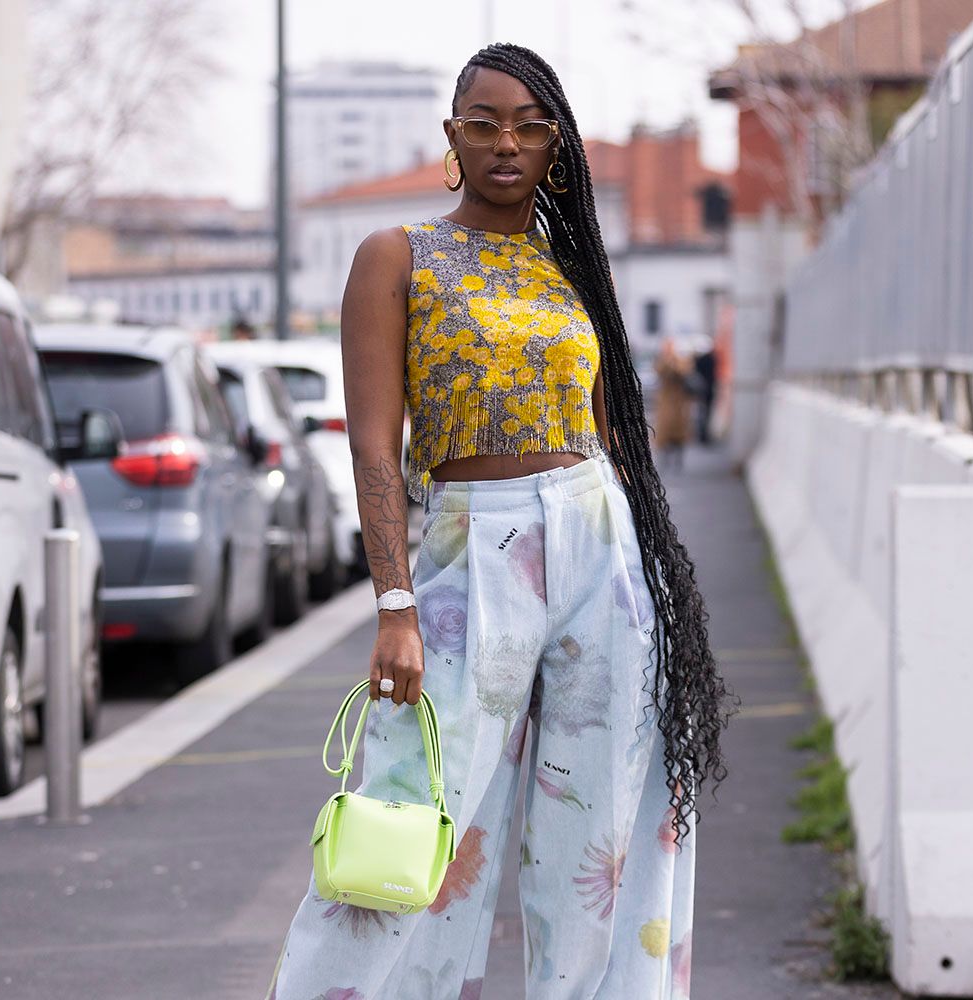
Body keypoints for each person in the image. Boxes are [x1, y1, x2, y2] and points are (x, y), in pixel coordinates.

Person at [266, 43, 734, 1000]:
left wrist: (652, 578)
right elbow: (374, 447)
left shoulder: (577, 270)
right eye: (484, 125)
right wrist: (394, 603)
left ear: (556, 143)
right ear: (453, 137)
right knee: (409, 820)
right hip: (469, 544)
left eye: (529, 126)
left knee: (602, 840)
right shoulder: (396, 256)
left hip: (599, 544)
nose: (507, 144)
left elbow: (610, 434)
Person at [652, 337, 696, 472]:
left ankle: (678, 459)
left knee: (680, 432)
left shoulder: (681, 360)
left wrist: (674, 361)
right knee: (664, 432)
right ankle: (665, 458)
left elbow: (684, 371)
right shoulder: (662, 360)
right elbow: (659, 370)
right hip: (665, 401)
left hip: (679, 402)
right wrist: (668, 360)